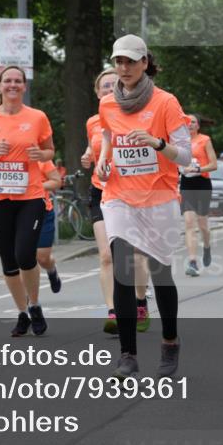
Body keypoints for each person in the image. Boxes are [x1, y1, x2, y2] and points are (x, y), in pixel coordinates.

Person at [96, 34, 190, 379]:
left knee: (160, 272)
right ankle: (128, 355)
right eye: (118, 61)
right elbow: (108, 135)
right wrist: (103, 161)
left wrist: (156, 143)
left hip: (159, 197)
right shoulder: (107, 103)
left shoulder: (166, 103)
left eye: (130, 61)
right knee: (122, 264)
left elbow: (186, 155)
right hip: (119, 195)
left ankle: (169, 341)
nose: (123, 68)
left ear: (145, 63)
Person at [0, 65, 55, 337]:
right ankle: (22, 312)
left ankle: (35, 304)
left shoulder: (38, 117)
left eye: (18, 81)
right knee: (8, 261)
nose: (12, 85)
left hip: (30, 196)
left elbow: (49, 151)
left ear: (24, 86)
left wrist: (39, 155)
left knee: (24, 254)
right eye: (7, 80)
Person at [82, 69, 151, 335]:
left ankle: (141, 301)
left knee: (135, 254)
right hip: (102, 191)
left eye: (114, 85)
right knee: (107, 255)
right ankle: (113, 311)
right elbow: (95, 146)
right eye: (104, 87)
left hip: (133, 192)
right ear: (97, 93)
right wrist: (88, 155)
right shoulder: (92, 122)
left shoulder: (136, 115)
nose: (109, 89)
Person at [181, 114, 217, 276]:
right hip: (186, 184)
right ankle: (193, 262)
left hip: (202, 183)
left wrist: (197, 169)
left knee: (202, 225)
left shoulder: (205, 140)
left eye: (193, 122)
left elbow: (213, 164)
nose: (190, 124)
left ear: (198, 125)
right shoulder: (179, 141)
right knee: (189, 223)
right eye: (187, 122)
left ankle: (207, 246)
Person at [35, 159, 62, 293]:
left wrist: (36, 186)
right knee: (24, 256)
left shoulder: (40, 158)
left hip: (43, 212)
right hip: (16, 212)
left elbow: (57, 181)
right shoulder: (8, 158)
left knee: (43, 258)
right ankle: (30, 295)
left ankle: (52, 271)